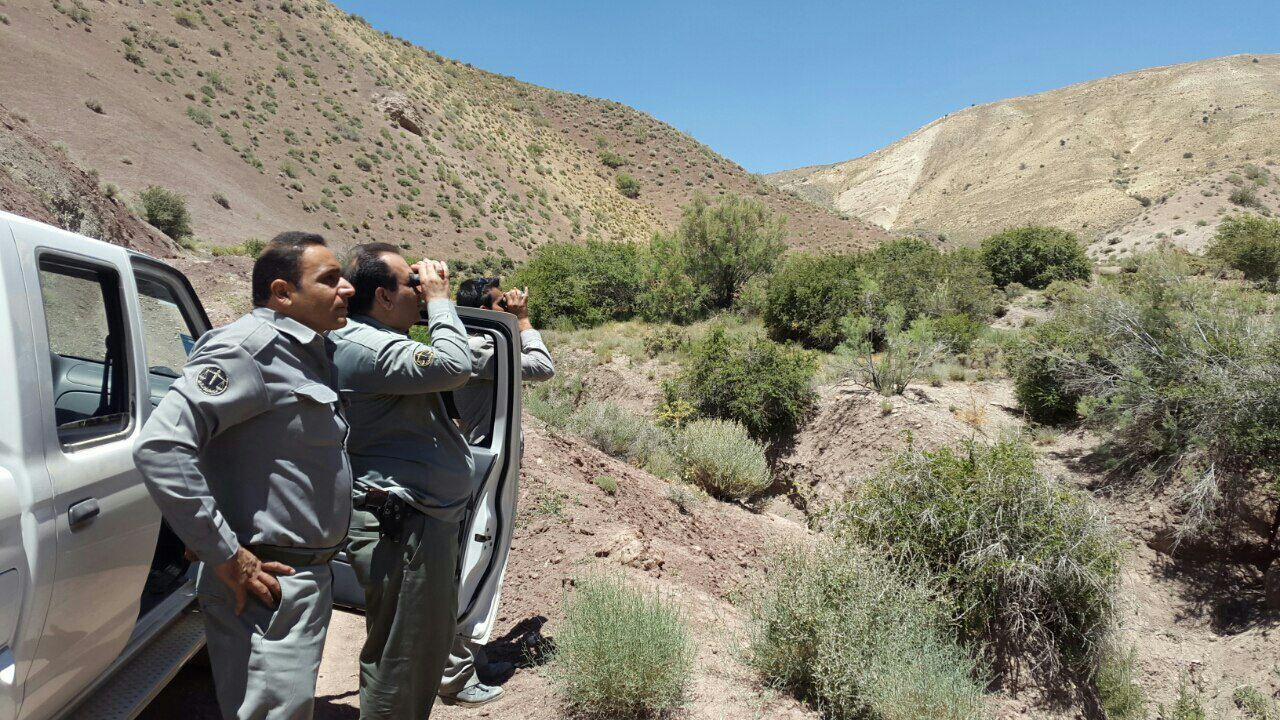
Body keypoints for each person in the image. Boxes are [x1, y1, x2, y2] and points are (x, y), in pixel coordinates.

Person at [133, 231, 355, 720]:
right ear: (282, 292)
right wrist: (227, 554)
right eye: (331, 279)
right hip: (264, 584)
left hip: (299, 579)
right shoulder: (248, 349)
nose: (348, 289)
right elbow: (162, 446)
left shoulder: (308, 352)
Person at [331, 243, 474, 720]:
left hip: (411, 524)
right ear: (383, 298)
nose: (419, 289)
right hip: (404, 529)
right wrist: (440, 299)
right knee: (403, 662)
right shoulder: (369, 347)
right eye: (409, 284)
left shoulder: (372, 340)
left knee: (412, 654)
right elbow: (454, 366)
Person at [438, 277, 555, 707]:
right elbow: (542, 367)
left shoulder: (473, 346)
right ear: (483, 314)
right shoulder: (480, 350)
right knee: (471, 565)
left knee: (474, 562)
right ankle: (455, 675)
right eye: (498, 305)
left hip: (480, 465)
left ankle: (466, 657)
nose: (506, 308)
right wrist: (522, 320)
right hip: (481, 471)